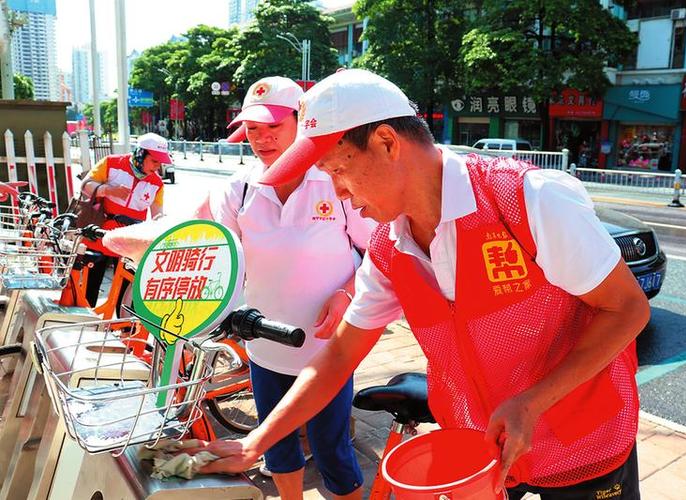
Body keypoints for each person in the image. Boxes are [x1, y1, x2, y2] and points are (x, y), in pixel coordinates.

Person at [186, 69, 651, 499]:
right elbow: (341, 355)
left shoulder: (527, 199)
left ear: (387, 142)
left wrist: (531, 403)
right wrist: (255, 442)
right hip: (483, 447)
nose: (338, 192)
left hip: (582, 443)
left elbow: (627, 309)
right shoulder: (391, 248)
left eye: (338, 170)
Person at [192, 76, 372, 500]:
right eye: (253, 129)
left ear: (301, 123)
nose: (263, 139)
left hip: (327, 348)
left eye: (274, 126)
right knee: (276, 443)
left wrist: (345, 292)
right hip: (265, 346)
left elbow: (377, 250)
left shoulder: (334, 180)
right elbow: (219, 253)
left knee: (332, 448)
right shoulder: (237, 190)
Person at [80, 133, 167, 307]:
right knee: (89, 289)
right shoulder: (111, 163)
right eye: (154, 161)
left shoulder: (157, 184)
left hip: (130, 242)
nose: (157, 167)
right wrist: (108, 190)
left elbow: (157, 214)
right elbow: (85, 185)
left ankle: (124, 329)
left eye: (160, 162)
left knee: (127, 296)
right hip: (100, 235)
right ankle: (84, 323)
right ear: (140, 155)